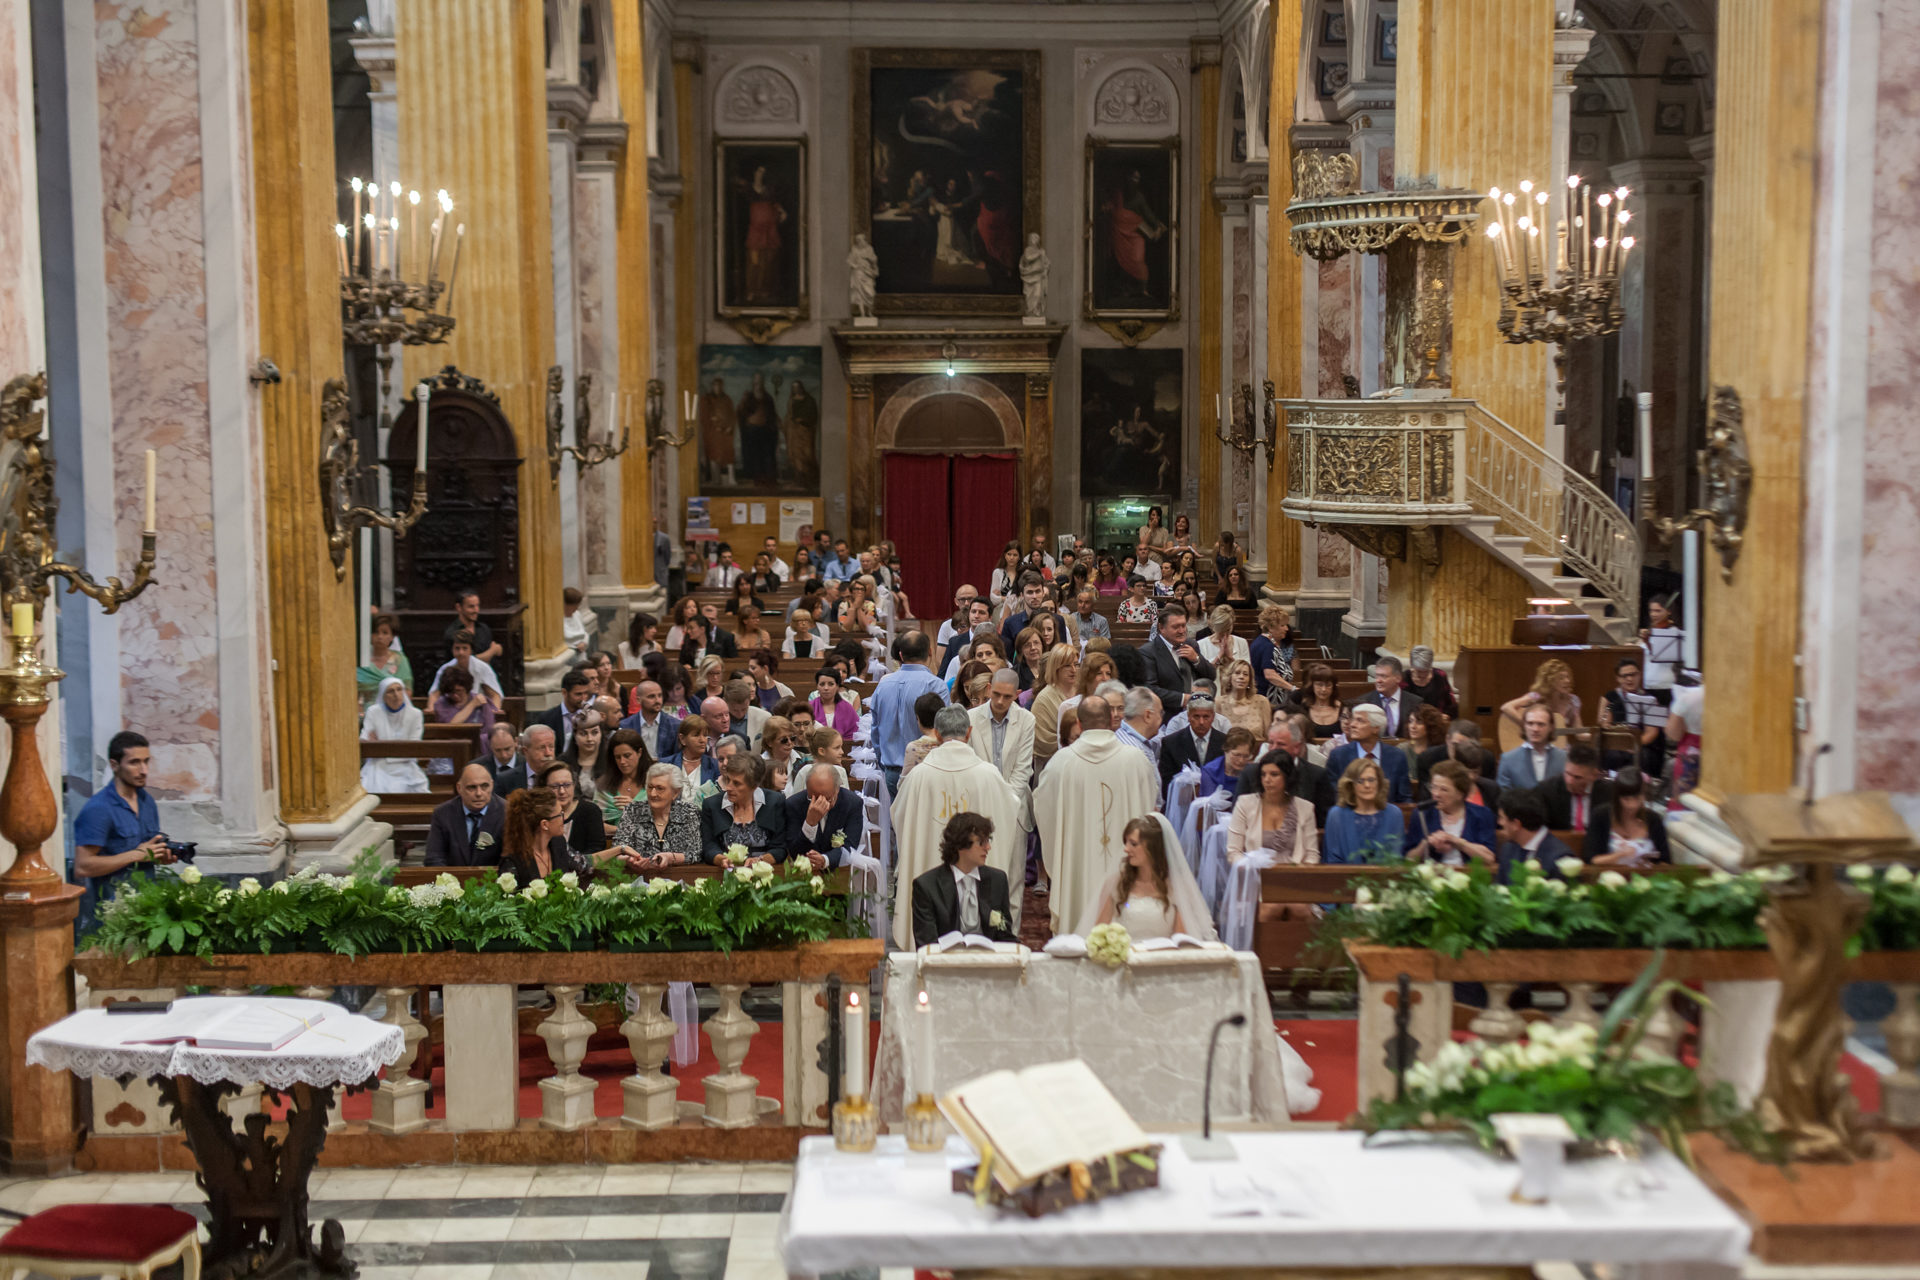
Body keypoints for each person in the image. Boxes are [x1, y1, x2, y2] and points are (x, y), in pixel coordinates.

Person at [891, 706, 1025, 948]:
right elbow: (1010, 809)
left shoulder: (919, 776)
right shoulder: (988, 775)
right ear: (969, 732)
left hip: (927, 872)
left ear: (937, 735)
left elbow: (899, 816)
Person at [1033, 698, 1160, 934]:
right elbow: (1149, 810)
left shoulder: (1060, 763)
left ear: (1079, 724)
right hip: (1125, 865)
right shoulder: (1136, 761)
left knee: (1077, 919)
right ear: (1112, 720)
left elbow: (1043, 809)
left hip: (1076, 868)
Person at [72, 731, 168, 929]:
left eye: (146, 761)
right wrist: (136, 855)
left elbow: (145, 851)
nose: (144, 770)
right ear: (115, 765)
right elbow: (83, 866)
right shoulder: (99, 808)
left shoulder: (146, 801)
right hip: (112, 919)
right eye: (134, 762)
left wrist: (161, 855)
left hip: (149, 912)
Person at [1081, 814, 1209, 941]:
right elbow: (1099, 934)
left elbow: (1181, 939)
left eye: (1133, 844)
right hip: (1126, 958)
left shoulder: (1176, 887)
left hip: (1162, 958)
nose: (1126, 849)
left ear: (1153, 848)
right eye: (1126, 843)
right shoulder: (1116, 883)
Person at [911, 813, 1019, 949]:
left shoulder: (998, 880)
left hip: (989, 963)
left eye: (988, 841)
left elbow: (1004, 932)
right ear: (961, 845)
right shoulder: (927, 886)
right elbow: (926, 943)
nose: (988, 848)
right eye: (981, 842)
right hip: (945, 964)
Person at [869, 630, 948, 793]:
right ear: (930, 652)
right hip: (927, 769)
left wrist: (883, 762)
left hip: (892, 768)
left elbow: (875, 730)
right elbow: (944, 729)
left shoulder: (883, 685)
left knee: (898, 819)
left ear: (900, 655)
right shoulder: (936, 685)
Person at [1235, 716, 1337, 827]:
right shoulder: (1250, 773)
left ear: (1297, 747)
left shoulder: (1317, 775)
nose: (1273, 749)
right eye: (1271, 743)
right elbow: (1238, 817)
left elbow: (1324, 823)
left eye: (1281, 744)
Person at [968, 669, 1036, 821]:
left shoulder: (1027, 720)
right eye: (996, 694)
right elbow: (970, 764)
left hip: (1014, 808)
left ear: (1017, 694)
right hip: (979, 805)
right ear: (989, 688)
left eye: (1007, 697)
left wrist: (1004, 804)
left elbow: (1022, 769)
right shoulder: (970, 718)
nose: (1000, 701)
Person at [1226, 754, 1319, 865]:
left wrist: (1301, 874)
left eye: (1274, 774)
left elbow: (1312, 855)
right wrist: (1251, 870)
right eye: (1263, 775)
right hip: (1254, 874)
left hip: (1294, 876)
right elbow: (1233, 852)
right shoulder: (1245, 804)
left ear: (1288, 776)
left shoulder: (1305, 808)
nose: (1267, 780)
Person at [1403, 760, 1498, 868]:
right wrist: (1426, 843)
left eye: (1444, 790)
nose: (1436, 794)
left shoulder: (1482, 814)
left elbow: (1489, 859)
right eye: (1433, 787)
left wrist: (1455, 841)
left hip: (1470, 877)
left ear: (1460, 794)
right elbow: (1408, 860)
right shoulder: (1422, 814)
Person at [699, 753, 790, 864]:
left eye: (737, 783)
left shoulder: (775, 802)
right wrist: (721, 859)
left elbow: (780, 848)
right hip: (725, 873)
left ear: (754, 785)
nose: (728, 787)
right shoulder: (711, 805)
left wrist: (760, 861)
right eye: (727, 780)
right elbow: (709, 847)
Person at [614, 763, 704, 869]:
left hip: (678, 878)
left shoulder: (689, 812)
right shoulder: (633, 810)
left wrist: (670, 858)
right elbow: (619, 850)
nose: (652, 794)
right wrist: (630, 860)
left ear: (675, 792)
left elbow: (696, 853)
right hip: (638, 878)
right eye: (650, 787)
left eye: (660, 788)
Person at [1324, 757, 1407, 865]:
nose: (1367, 785)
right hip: (1343, 879)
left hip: (1385, 879)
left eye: (1371, 780)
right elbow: (1333, 860)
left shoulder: (1394, 814)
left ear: (1379, 783)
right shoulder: (1336, 815)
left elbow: (1396, 857)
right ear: (1351, 785)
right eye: (1360, 781)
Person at [423, 761, 507, 867]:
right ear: (459, 788)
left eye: (484, 786)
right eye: (472, 787)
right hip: (452, 880)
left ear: (492, 785)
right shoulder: (443, 814)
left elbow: (512, 859)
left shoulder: (506, 812)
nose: (479, 793)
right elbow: (434, 858)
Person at [784, 762, 866, 870]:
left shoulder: (852, 803)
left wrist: (825, 860)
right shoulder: (793, 804)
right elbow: (794, 851)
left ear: (837, 788)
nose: (820, 803)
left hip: (839, 872)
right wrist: (810, 824)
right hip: (803, 872)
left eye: (827, 798)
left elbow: (850, 846)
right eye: (813, 798)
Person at [1325, 704, 1413, 803]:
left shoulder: (1397, 756)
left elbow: (1405, 798)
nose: (1352, 725)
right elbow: (1333, 797)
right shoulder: (1338, 756)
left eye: (1360, 720)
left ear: (1376, 728)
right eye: (1353, 720)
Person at [1535, 743, 1613, 851]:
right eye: (1567, 773)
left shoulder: (1609, 793)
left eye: (1577, 777)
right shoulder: (1547, 790)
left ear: (1594, 775)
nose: (1569, 781)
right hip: (1558, 848)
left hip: (1597, 850)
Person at [1140, 604, 1216, 715]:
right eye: (1176, 627)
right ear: (1161, 628)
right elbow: (1149, 689)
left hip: (1195, 714)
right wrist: (1183, 699)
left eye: (1183, 625)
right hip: (1165, 716)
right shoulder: (1148, 652)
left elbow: (1211, 675)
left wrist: (1196, 659)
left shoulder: (1191, 645)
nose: (1181, 631)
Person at [1600, 656, 1667, 780]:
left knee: (1644, 757)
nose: (1629, 679)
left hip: (1643, 746)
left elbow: (1651, 732)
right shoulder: (1612, 699)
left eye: (1633, 674)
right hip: (1618, 745)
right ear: (1618, 678)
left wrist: (1633, 745)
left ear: (1639, 675)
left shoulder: (1650, 699)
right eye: (1624, 676)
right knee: (1610, 755)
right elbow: (1605, 726)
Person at [360, 677, 428, 795]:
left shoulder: (415, 714)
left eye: (399, 689)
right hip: (379, 763)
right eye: (390, 691)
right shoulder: (373, 711)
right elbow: (365, 739)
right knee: (371, 787)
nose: (396, 695)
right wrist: (375, 745)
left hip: (406, 764)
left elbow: (413, 744)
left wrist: (379, 744)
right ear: (383, 695)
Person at [1593, 766, 1669, 868]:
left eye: (1636, 797)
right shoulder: (1601, 816)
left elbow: (1666, 862)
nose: (1632, 805)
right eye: (1626, 799)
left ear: (1643, 795)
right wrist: (1621, 855)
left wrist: (1649, 864)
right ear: (1617, 797)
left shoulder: (1654, 820)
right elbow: (1592, 860)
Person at [1494, 790, 1573, 884]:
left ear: (1516, 824)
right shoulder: (1508, 849)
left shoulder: (1560, 858)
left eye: (1502, 818)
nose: (1499, 822)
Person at [536, 760, 610, 862]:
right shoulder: (538, 814)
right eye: (555, 787)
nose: (562, 791)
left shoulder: (590, 811)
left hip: (584, 872)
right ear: (544, 788)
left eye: (567, 785)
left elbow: (596, 850)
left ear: (574, 785)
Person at [427, 666, 494, 772]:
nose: (455, 695)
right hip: (450, 752)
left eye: (459, 691)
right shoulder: (441, 704)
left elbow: (490, 730)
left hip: (478, 751)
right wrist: (472, 705)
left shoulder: (481, 701)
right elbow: (451, 727)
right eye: (451, 692)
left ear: (467, 688)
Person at [1500, 658, 1584, 739]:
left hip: (1559, 748)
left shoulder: (1573, 701)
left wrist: (1593, 736)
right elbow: (1506, 707)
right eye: (1561, 678)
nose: (1567, 681)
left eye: (1567, 677)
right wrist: (1527, 725)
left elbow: (1579, 733)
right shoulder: (1536, 696)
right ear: (1549, 681)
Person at [1158, 694, 1226, 793]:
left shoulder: (1225, 742)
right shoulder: (1171, 743)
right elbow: (1166, 785)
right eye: (1196, 716)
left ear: (1213, 717)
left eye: (1206, 717)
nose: (1201, 722)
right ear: (1188, 716)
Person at [1029, 645, 1079, 772]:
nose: (1073, 670)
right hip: (1053, 768)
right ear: (1056, 668)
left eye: (1076, 664)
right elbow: (1042, 742)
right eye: (1067, 666)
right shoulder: (1044, 699)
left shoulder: (1082, 691)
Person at [1496, 704, 1567, 792]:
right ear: (1524, 726)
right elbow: (1504, 797)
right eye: (1530, 723)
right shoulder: (1508, 760)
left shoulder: (1564, 758)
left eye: (1541, 724)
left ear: (1551, 727)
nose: (1535, 729)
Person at [1356, 655, 1425, 740]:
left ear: (1398, 678)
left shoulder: (1415, 702)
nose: (1378, 680)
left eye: (1383, 676)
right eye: (1377, 676)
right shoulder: (1363, 702)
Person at [432, 631, 504, 711]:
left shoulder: (482, 668)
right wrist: (431, 710)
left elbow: (495, 695)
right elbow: (434, 694)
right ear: (452, 650)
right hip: (451, 712)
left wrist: (494, 711)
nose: (461, 653)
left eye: (465, 648)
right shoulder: (445, 668)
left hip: (477, 713)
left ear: (471, 650)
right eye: (457, 648)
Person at [355, 613, 414, 709]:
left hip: (392, 713)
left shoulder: (400, 660)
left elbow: (406, 691)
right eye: (375, 632)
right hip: (362, 714)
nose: (379, 637)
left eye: (385, 633)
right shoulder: (359, 659)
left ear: (392, 637)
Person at [534, 669, 593, 755]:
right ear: (564, 693)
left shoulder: (591, 715)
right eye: (578, 694)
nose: (583, 698)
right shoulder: (547, 718)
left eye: (586, 693)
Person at [619, 679, 682, 760]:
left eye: (660, 695)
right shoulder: (625, 726)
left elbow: (677, 757)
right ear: (638, 700)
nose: (657, 700)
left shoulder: (675, 725)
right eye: (651, 696)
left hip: (665, 769)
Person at [1639, 595, 1684, 703]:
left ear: (1668, 612)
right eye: (1651, 611)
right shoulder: (1652, 630)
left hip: (1663, 685)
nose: (1653, 614)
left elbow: (1658, 652)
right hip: (1646, 683)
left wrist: (1646, 642)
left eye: (1658, 611)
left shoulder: (1672, 632)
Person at [1248, 605, 1297, 701]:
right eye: (1282, 625)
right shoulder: (1267, 646)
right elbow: (1269, 674)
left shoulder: (1262, 642)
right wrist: (1292, 688)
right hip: (1266, 698)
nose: (1286, 629)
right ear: (1270, 627)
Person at [1213, 658, 1271, 737]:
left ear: (1250, 680)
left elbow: (1268, 736)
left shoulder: (1262, 701)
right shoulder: (1218, 702)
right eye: (1237, 673)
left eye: (1245, 674)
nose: (1241, 677)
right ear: (1229, 677)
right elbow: (1215, 736)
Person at [997, 573, 1051, 654]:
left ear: (1043, 593)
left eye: (1038, 591)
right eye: (1030, 592)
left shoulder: (1057, 620)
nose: (1034, 596)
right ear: (1022, 595)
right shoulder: (1010, 623)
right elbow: (1008, 657)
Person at [561, 707, 608, 798]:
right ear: (575, 736)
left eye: (594, 733)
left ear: (601, 734)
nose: (589, 739)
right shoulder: (563, 763)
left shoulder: (612, 761)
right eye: (583, 734)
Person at [445, 589, 501, 664]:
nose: (476, 610)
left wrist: (493, 651)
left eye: (477, 605)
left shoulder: (483, 628)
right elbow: (465, 661)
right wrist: (492, 651)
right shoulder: (452, 633)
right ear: (459, 607)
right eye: (471, 607)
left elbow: (499, 651)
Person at [1115, 685, 1163, 769]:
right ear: (1147, 715)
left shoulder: (1122, 738)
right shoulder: (1134, 752)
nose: (1161, 718)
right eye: (1160, 713)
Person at [1404, 646, 1458, 719]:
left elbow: (1450, 703)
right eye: (1418, 671)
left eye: (1426, 671)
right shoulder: (1404, 678)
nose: (1422, 675)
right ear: (1411, 665)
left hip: (1436, 721)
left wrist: (1447, 715)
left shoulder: (1440, 676)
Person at [1293, 664, 1343, 740]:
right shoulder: (1302, 709)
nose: (1324, 689)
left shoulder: (1343, 709)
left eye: (1328, 685)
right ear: (1312, 686)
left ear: (1334, 687)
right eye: (1319, 685)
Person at [810, 666, 861, 738]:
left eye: (831, 684)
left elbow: (854, 733)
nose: (826, 688)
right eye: (822, 684)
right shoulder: (810, 707)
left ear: (837, 686)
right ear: (817, 686)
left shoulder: (847, 708)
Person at [1196, 605, 1249, 670]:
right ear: (1214, 626)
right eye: (1221, 631)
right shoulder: (1201, 644)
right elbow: (1204, 673)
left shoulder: (1242, 642)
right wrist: (1219, 656)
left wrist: (1230, 657)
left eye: (1227, 630)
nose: (1224, 634)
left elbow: (1246, 672)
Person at [988, 544, 1022, 608]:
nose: (1011, 558)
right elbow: (993, 599)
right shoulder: (998, 572)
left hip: (1019, 610)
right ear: (1005, 555)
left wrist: (1002, 597)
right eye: (1009, 554)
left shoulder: (1023, 573)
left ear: (1019, 557)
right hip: (1000, 609)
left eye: (1015, 555)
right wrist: (1015, 599)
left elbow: (1025, 598)